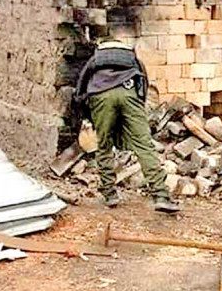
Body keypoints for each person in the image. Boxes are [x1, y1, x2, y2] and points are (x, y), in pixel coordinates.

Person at [74, 39, 180, 214]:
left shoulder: (95, 59)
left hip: (100, 96)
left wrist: (86, 113)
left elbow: (80, 87)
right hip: (129, 92)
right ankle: (161, 196)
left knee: (104, 144)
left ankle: (109, 194)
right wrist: (138, 105)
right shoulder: (132, 58)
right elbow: (143, 83)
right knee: (144, 145)